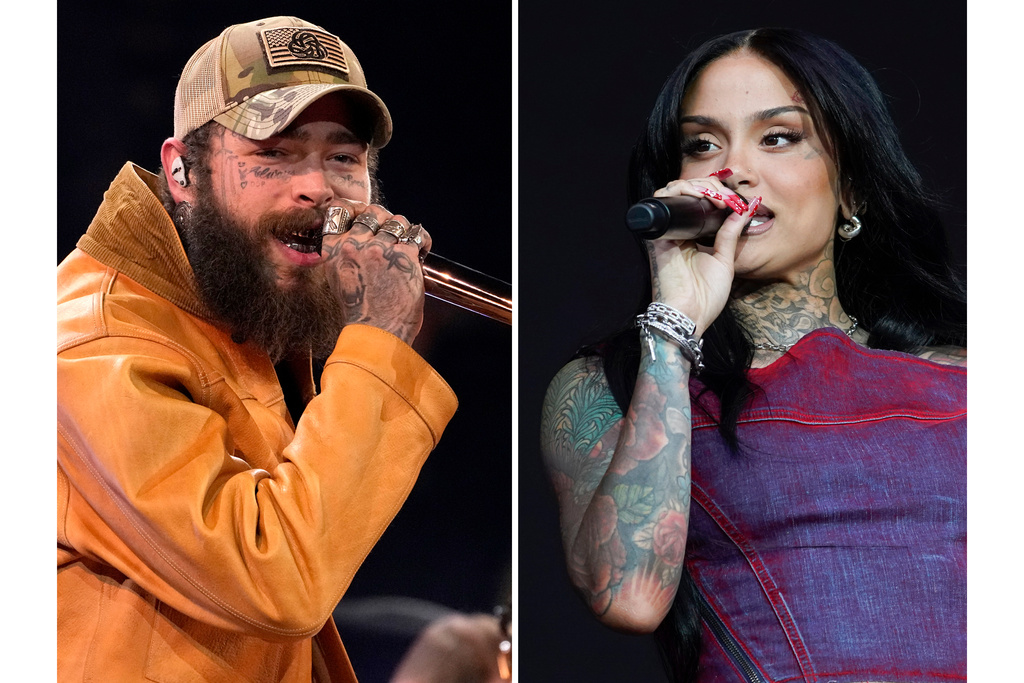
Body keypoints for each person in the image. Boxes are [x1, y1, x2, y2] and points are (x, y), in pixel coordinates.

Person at [540, 27, 966, 682]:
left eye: (778, 137)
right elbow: (625, 595)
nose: (732, 170)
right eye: (702, 144)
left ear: (850, 188)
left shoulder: (966, 380)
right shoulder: (611, 386)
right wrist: (674, 324)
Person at [57, 17, 460, 682]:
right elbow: (280, 578)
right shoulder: (94, 346)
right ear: (182, 172)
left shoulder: (243, 318)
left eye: (343, 158)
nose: (317, 189)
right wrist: (380, 339)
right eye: (273, 154)